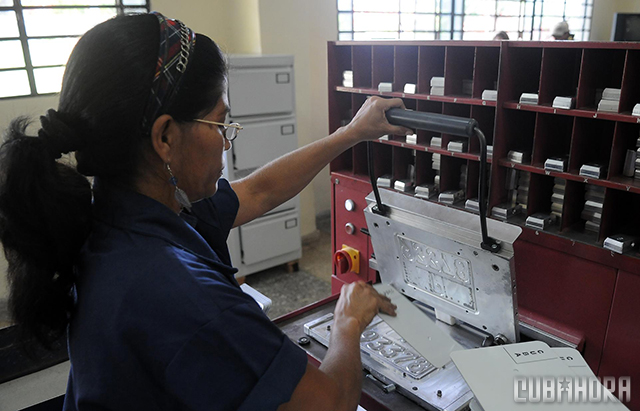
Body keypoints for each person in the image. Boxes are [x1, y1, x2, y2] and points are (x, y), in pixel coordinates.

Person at [0, 12, 412, 411]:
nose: (226, 143)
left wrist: (351, 133)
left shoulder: (117, 215)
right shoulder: (182, 295)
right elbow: (333, 404)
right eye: (219, 124)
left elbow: (259, 191)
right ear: (165, 137)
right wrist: (348, 320)